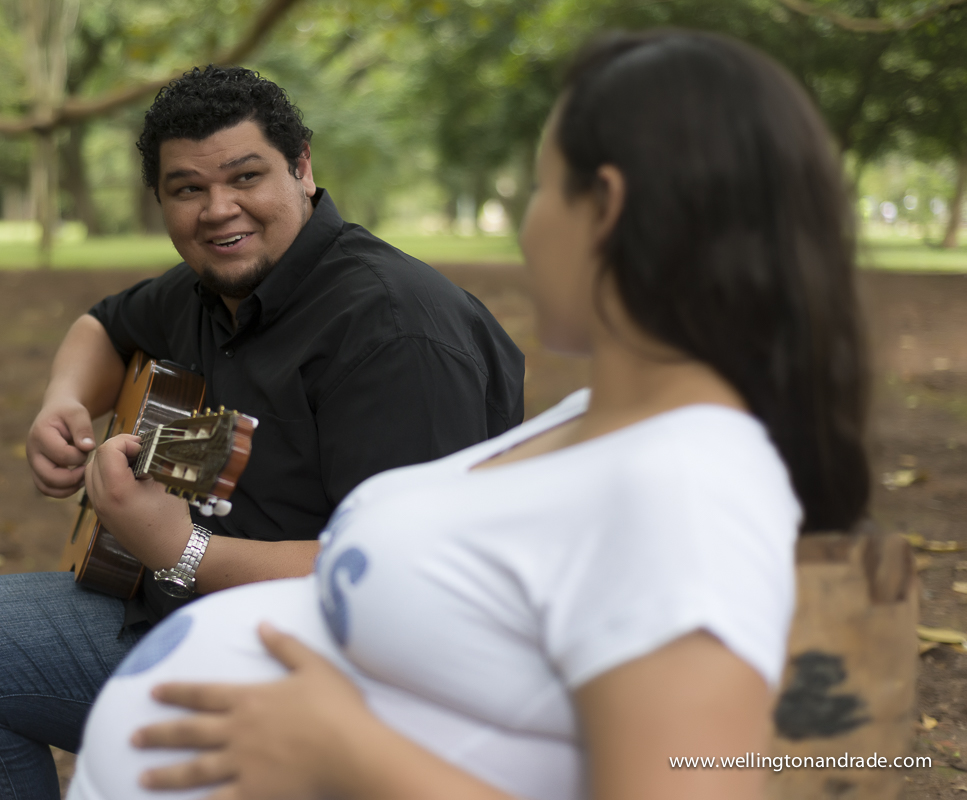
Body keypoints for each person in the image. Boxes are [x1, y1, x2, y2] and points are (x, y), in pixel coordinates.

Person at [66, 29, 871, 800]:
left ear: (606, 209)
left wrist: (341, 750)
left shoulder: (683, 488)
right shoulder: (607, 426)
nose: (526, 229)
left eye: (542, 187)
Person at [0, 66, 525, 800]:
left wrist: (179, 548)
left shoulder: (393, 334)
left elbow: (400, 586)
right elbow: (102, 325)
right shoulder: (209, 287)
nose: (219, 210)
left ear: (302, 168)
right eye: (187, 189)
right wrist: (62, 403)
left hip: (337, 679)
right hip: (179, 615)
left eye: (246, 177)